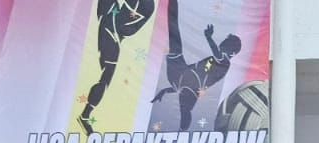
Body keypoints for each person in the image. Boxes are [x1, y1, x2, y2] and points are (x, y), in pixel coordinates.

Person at [151, 0, 241, 131]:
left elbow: (218, 56)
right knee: (174, 30)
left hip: (190, 85)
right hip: (181, 74)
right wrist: (165, 91)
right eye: (224, 41)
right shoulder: (217, 59)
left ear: (232, 52)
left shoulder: (225, 62)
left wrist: (209, 37)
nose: (222, 43)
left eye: (226, 42)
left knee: (185, 110)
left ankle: (182, 132)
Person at [78, 0, 157, 134]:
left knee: (105, 78)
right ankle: (85, 115)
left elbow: (129, 28)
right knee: (105, 78)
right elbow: (127, 27)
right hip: (111, 28)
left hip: (112, 27)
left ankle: (85, 114)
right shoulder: (148, 6)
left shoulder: (148, 6)